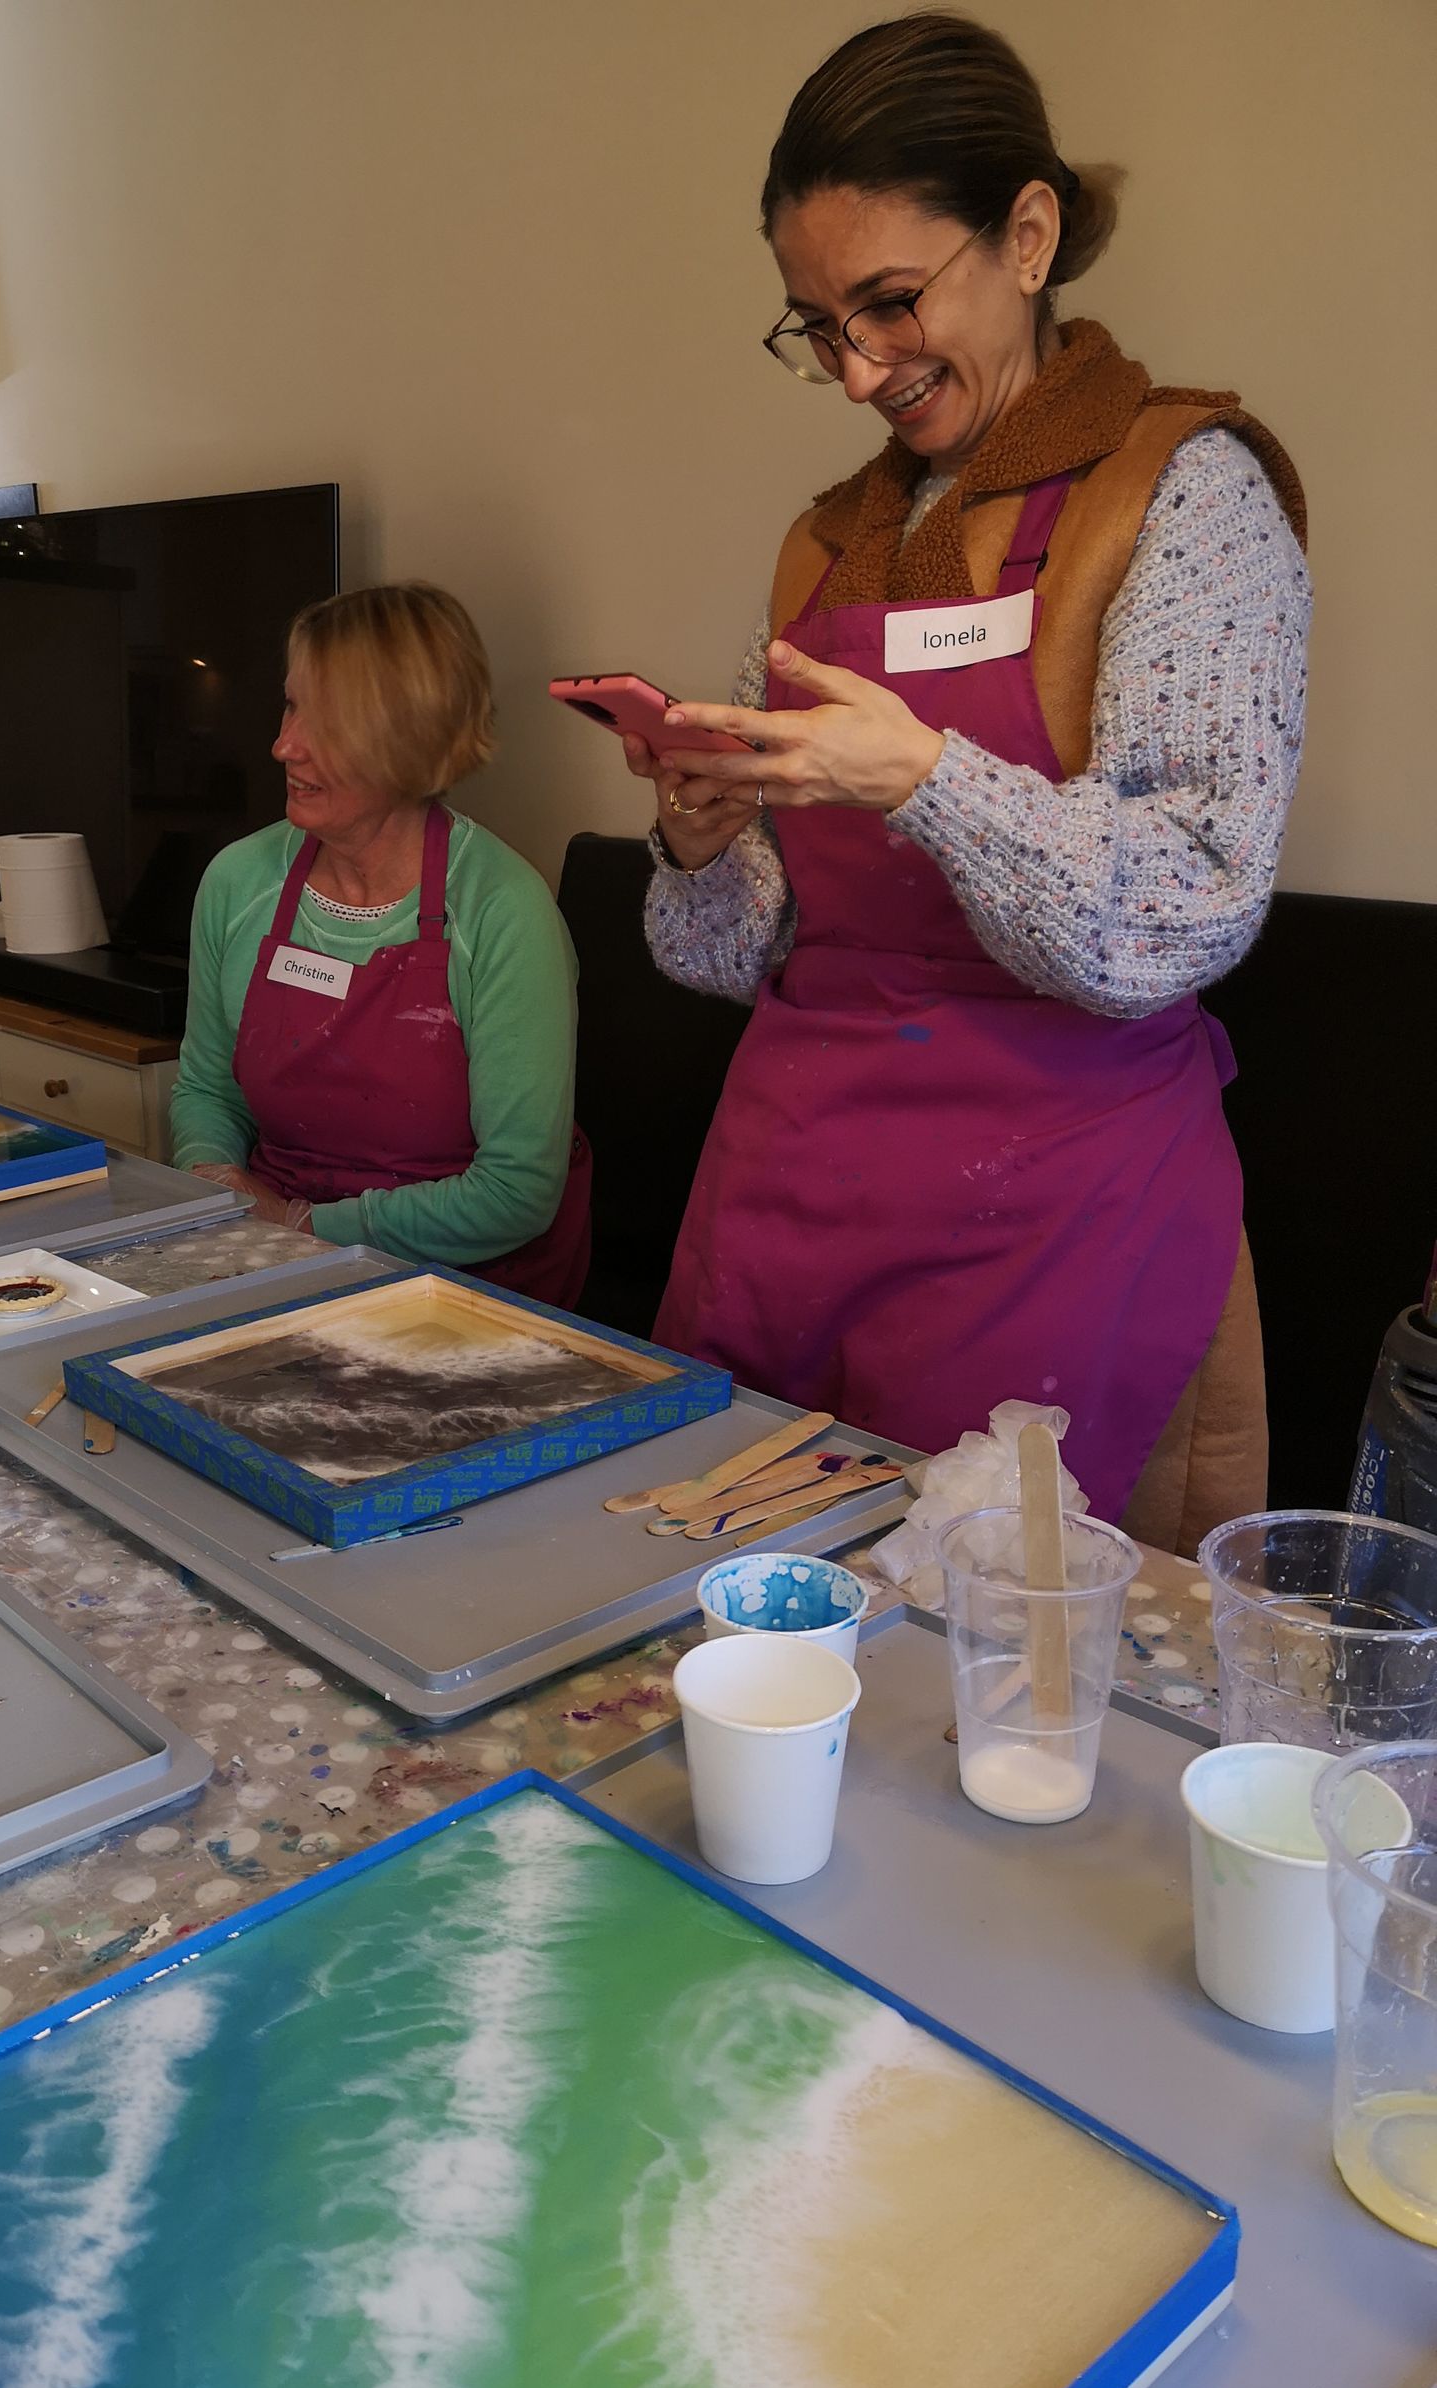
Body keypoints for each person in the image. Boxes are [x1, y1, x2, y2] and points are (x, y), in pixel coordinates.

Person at [631, 10, 1309, 1548]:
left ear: (1029, 234)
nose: (859, 371)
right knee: (735, 1631)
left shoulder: (1186, 495)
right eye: (818, 325)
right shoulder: (825, 544)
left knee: (1004, 1656)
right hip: (787, 1201)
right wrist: (703, 842)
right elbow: (742, 952)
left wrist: (928, 780)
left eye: (889, 303)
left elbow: (1191, 909)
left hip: (1063, 1226)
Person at [170, 582, 592, 1305]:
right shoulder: (238, 882)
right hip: (267, 1255)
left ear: (412, 738)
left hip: (466, 1291)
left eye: (328, 723)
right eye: (291, 705)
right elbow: (210, 1089)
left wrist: (304, 1225)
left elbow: (516, 1191)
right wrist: (218, 1190)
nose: (283, 745)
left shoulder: (503, 912)